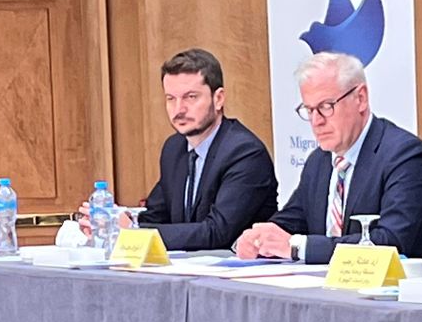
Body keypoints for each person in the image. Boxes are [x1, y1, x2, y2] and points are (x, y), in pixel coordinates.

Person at [235, 52, 422, 263]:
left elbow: (390, 241)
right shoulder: (318, 161)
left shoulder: (405, 156)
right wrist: (257, 238)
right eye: (309, 110)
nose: (316, 121)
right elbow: (291, 221)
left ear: (361, 98)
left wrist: (298, 247)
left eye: (326, 107)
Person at [78, 48, 277, 251]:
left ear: (218, 99)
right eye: (171, 98)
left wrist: (133, 231)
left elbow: (217, 232)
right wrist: (114, 221)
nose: (179, 109)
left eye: (190, 97)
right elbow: (156, 216)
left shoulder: (245, 153)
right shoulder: (174, 149)